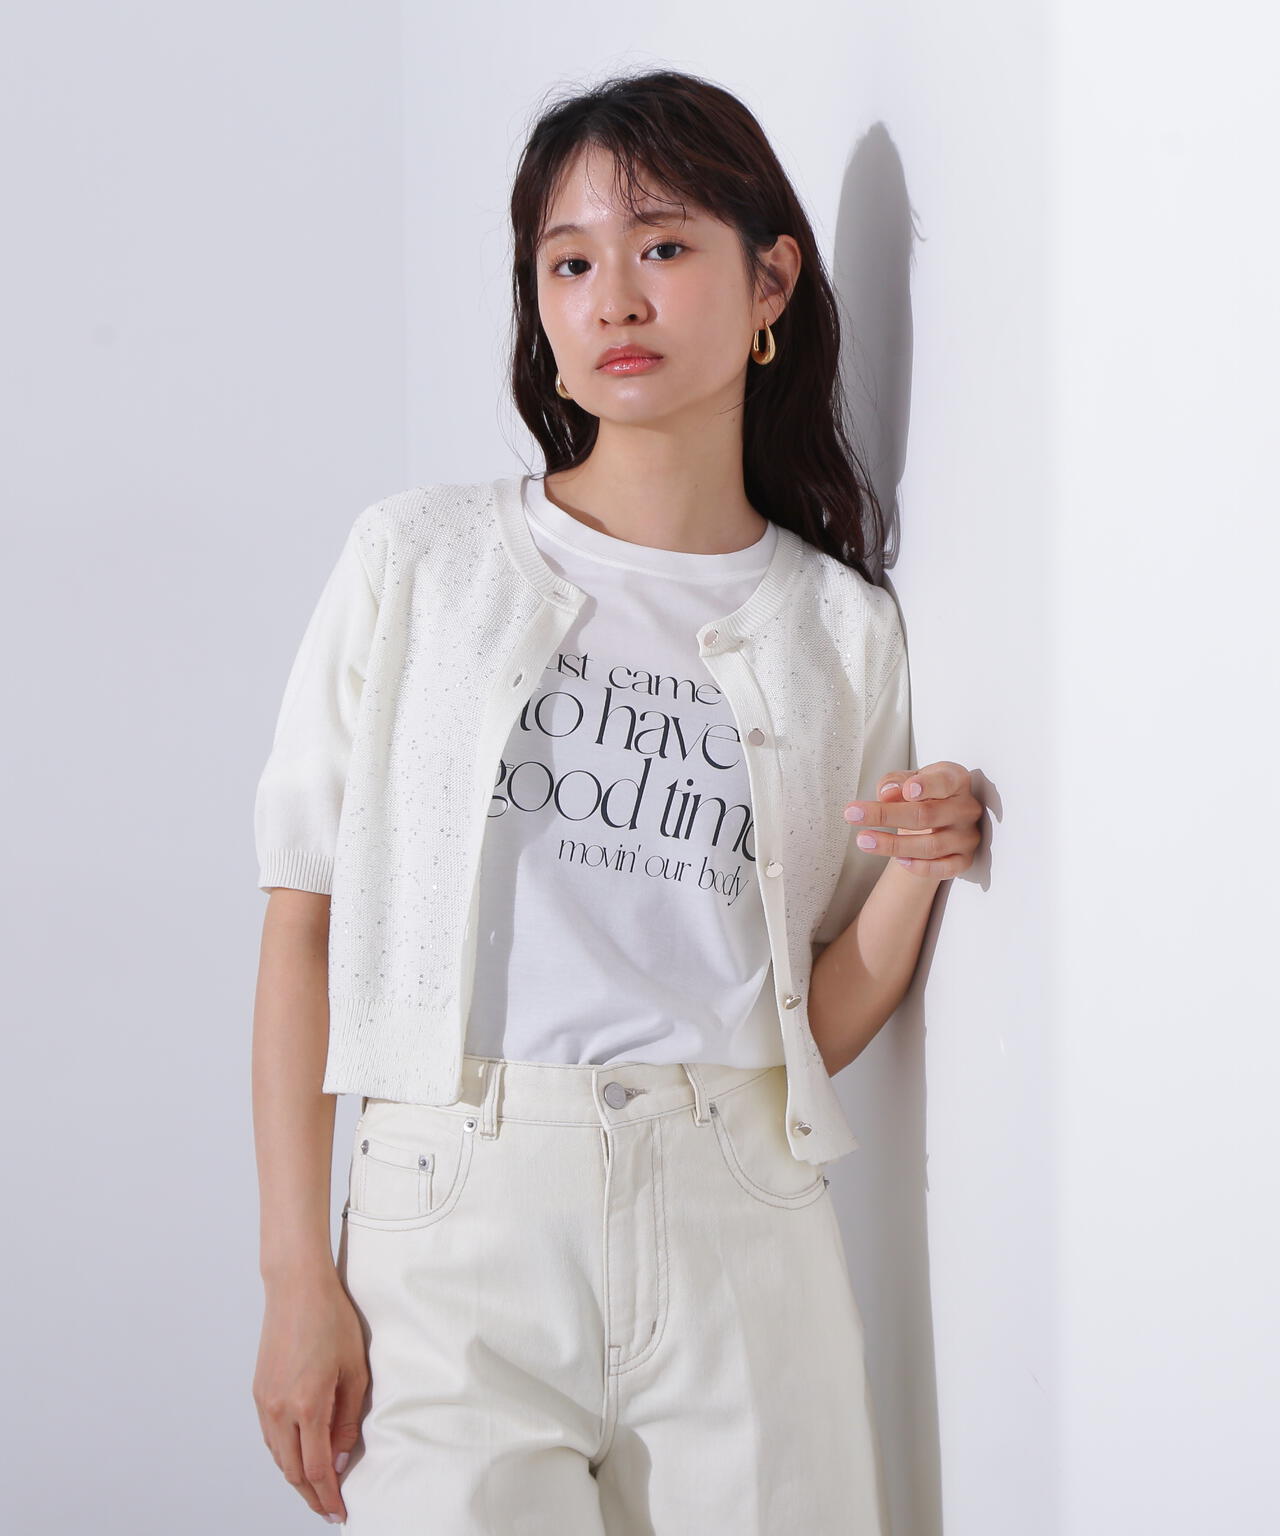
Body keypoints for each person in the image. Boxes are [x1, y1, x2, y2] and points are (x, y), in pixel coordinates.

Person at [250, 67, 981, 1533]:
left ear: (770, 281)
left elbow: (809, 1021)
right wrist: (294, 1279)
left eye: (663, 246)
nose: (614, 300)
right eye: (570, 263)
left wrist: (919, 862)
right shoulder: (420, 562)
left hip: (739, 1219)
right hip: (452, 1212)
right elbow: (303, 927)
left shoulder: (840, 632)